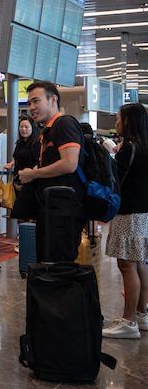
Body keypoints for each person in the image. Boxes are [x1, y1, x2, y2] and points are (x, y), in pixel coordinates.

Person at [18, 81, 86, 262]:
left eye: (36, 101)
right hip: (51, 210)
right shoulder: (48, 130)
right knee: (48, 264)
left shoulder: (64, 125)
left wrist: (34, 174)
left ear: (53, 99)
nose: (31, 107)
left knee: (59, 268)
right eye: (29, 103)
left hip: (64, 213)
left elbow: (70, 163)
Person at [102, 103, 148, 339]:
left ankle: (128, 321)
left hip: (128, 213)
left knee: (126, 265)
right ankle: (141, 314)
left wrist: (110, 155)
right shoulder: (143, 147)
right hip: (142, 213)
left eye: (119, 118)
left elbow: (116, 179)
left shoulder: (128, 148)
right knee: (140, 263)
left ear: (128, 121)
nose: (116, 122)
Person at [3, 116, 40, 192]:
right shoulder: (20, 143)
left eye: (26, 127)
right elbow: (19, 157)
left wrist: (29, 177)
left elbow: (38, 162)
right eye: (21, 127)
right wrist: (12, 163)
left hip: (30, 183)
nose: (23, 129)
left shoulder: (36, 143)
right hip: (17, 180)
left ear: (32, 128)